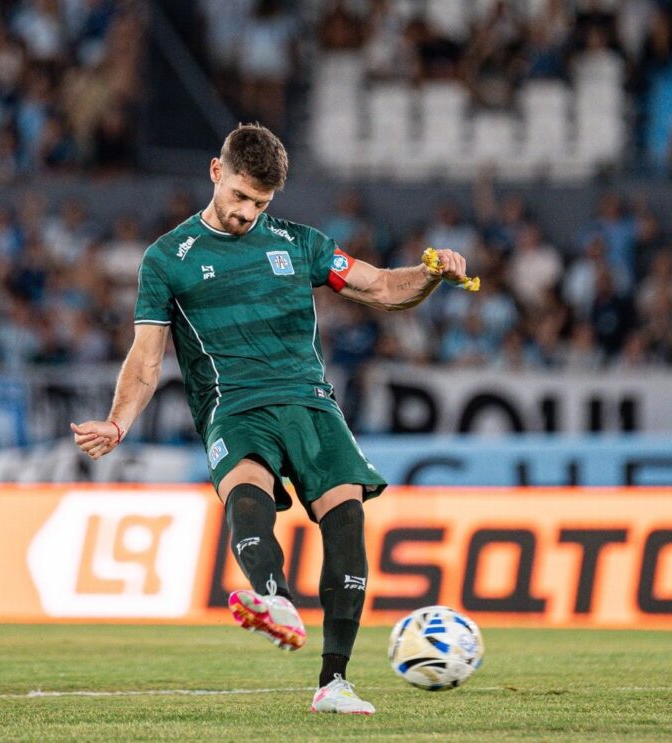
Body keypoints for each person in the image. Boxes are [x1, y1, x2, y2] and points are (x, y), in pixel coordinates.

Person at [71, 123, 468, 715]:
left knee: (346, 516)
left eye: (259, 202)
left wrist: (432, 273)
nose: (245, 213)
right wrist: (118, 421)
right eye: (239, 196)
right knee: (247, 489)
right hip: (234, 403)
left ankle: (334, 682)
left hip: (310, 401)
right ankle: (275, 599)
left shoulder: (301, 243)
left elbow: (383, 288)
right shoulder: (167, 259)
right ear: (216, 172)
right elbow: (147, 357)